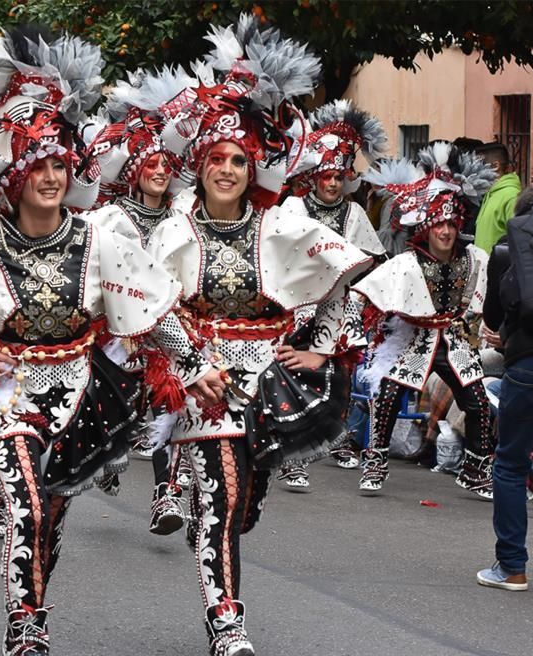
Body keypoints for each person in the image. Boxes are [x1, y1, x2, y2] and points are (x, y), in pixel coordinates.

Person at [0, 28, 224, 656]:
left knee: (52, 516)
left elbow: (150, 311)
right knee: (27, 509)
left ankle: (32, 607)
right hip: (8, 396)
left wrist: (195, 363)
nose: (48, 177)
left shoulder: (99, 239)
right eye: (35, 165)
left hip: (83, 393)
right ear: (12, 172)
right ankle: (26, 631)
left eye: (57, 165)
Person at [151, 15, 370, 655]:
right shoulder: (174, 230)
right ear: (201, 164)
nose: (226, 168)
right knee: (221, 504)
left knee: (243, 504)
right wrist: (191, 364)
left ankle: (214, 535)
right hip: (205, 381)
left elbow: (343, 280)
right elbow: (153, 306)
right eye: (215, 158)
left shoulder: (284, 222)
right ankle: (227, 623)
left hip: (271, 385)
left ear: (253, 169)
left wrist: (319, 347)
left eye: (238, 160)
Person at [83, 64, 195, 533]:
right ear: (133, 171)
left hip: (168, 327)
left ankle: (166, 495)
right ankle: (111, 453)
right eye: (150, 165)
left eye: (165, 167)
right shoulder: (109, 216)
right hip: (119, 336)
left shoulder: (180, 219)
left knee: (176, 404)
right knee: (120, 417)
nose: (159, 172)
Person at [355, 142, 497, 497]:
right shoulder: (407, 262)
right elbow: (371, 294)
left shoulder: (474, 259)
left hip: (454, 337)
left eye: (451, 224)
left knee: (478, 401)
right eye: (439, 224)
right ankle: (375, 463)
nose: (446, 232)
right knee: (388, 395)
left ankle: (476, 470)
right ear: (427, 227)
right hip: (415, 339)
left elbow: (486, 298)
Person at [276, 98, 388, 490]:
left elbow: (373, 259)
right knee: (296, 375)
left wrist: (357, 294)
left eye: (339, 177)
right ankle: (293, 454)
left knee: (341, 376)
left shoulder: (353, 214)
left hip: (339, 306)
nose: (333, 183)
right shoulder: (293, 206)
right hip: (298, 304)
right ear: (314, 177)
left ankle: (336, 437)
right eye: (326, 176)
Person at [477, 184, 533, 591]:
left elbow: (492, 314)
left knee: (511, 463)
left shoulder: (507, 249)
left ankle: (512, 567)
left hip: (528, 366)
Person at [474, 142, 521, 253]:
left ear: (495, 166)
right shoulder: (489, 193)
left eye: (478, 165)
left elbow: (519, 241)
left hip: (500, 269)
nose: (473, 170)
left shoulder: (511, 195)